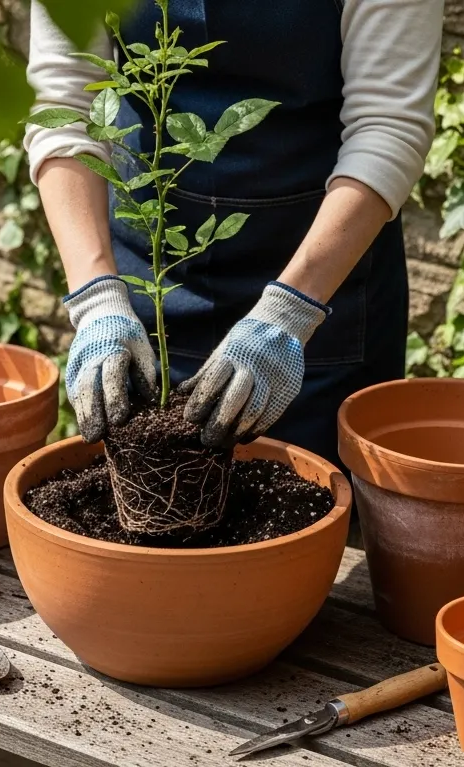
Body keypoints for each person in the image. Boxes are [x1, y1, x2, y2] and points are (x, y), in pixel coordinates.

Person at [26, 0, 442, 464]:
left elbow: (388, 126)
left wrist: (290, 313)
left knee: (316, 506)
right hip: (147, 274)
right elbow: (65, 104)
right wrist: (95, 296)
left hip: (324, 281)